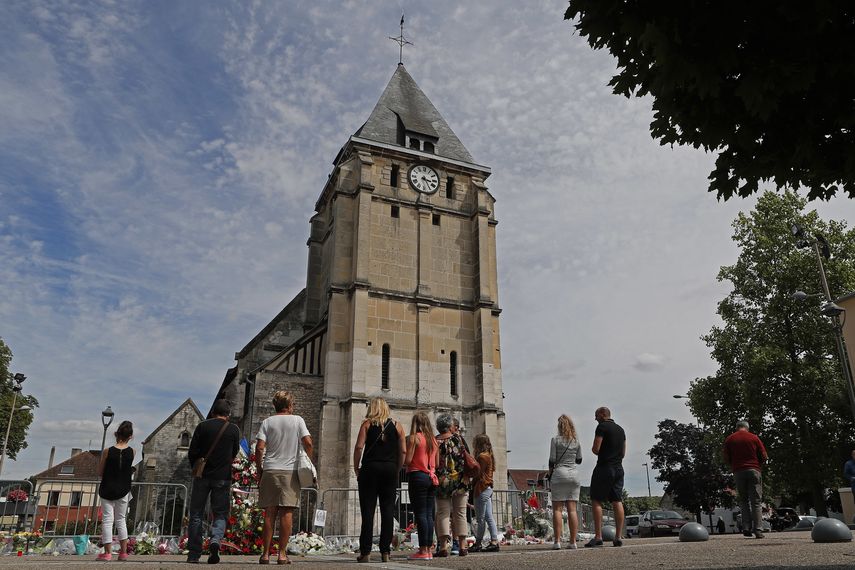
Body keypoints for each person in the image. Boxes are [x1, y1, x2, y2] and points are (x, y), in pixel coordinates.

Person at [255, 390, 314, 565]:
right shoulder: (298, 420)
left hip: (270, 469)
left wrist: (259, 469)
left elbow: (259, 447)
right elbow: (308, 442)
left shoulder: (267, 422)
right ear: (289, 405)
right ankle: (281, 554)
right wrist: (308, 461)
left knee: (269, 512)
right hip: (290, 470)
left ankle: (265, 554)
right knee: (287, 512)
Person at [187, 399, 241, 564]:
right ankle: (215, 541)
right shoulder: (233, 429)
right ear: (228, 414)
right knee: (220, 513)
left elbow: (192, 452)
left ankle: (194, 554)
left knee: (196, 514)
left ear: (212, 412)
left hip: (202, 476)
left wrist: (197, 467)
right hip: (222, 477)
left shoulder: (202, 426)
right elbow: (234, 452)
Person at [352, 397, 406, 563]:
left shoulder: (367, 425)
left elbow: (359, 447)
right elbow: (403, 451)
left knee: (367, 511)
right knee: (388, 510)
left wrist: (356, 467)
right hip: (389, 469)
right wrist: (397, 468)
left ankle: (366, 552)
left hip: (370, 469)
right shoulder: (397, 425)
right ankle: (385, 552)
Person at [585, 406, 626, 548]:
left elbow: (596, 449)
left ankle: (598, 537)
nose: (595, 418)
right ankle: (618, 537)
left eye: (596, 415)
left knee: (596, 499)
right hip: (618, 468)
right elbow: (623, 453)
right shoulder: (621, 430)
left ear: (603, 414)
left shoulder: (602, 427)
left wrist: (601, 451)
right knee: (617, 500)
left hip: (604, 467)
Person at [96, 420, 134, 562]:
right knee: (121, 520)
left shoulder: (107, 451)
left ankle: (107, 553)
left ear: (116, 434)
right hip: (123, 489)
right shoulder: (132, 452)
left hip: (107, 488)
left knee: (107, 520)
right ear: (131, 436)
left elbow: (100, 472)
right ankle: (123, 553)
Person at [723, 420, 768, 539]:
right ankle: (758, 530)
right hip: (754, 470)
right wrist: (759, 465)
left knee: (743, 500)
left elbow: (726, 458)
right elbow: (764, 455)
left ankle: (746, 527)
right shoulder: (754, 438)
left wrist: (734, 465)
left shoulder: (730, 439)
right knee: (756, 502)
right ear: (747, 428)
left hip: (738, 471)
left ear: (737, 428)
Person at [433, 413, 470, 557]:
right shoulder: (458, 439)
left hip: (442, 480)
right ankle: (462, 546)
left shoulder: (435, 441)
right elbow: (465, 458)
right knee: (460, 513)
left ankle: (443, 547)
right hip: (460, 480)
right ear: (449, 426)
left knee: (443, 513)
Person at [404, 411, 438, 560]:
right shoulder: (433, 440)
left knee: (421, 514)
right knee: (429, 514)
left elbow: (408, 460)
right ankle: (429, 549)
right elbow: (437, 463)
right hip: (432, 477)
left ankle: (423, 550)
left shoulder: (414, 438)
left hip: (417, 476)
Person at [548, 414, 583, 550]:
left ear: (559, 426)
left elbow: (552, 460)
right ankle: (573, 542)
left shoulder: (555, 440)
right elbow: (579, 460)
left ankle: (557, 541)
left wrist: (550, 474)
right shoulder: (576, 441)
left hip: (559, 474)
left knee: (557, 509)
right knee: (572, 510)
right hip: (573, 476)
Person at [469, 433, 499, 553]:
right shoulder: (489, 455)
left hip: (481, 488)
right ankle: (494, 541)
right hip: (488, 488)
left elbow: (478, 473)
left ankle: (478, 543)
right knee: (489, 517)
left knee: (480, 519)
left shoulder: (482, 457)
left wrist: (471, 481)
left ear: (478, 444)